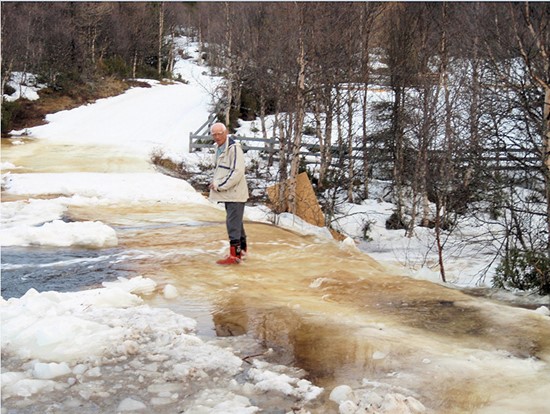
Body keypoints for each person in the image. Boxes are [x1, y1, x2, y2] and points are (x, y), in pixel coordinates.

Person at [209, 122, 249, 265]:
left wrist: (220, 186)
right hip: (229, 193)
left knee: (232, 223)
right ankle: (242, 250)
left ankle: (235, 256)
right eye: (214, 134)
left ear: (226, 133)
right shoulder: (218, 148)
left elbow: (237, 172)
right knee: (236, 222)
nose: (217, 137)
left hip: (235, 192)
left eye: (220, 134)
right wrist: (216, 183)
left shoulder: (234, 148)